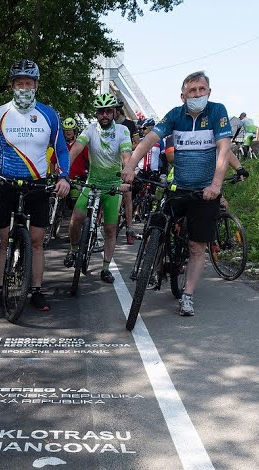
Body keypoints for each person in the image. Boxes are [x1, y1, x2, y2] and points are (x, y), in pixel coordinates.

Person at [122, 70, 232, 318]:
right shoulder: (174, 115)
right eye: (191, 91)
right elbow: (149, 139)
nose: (197, 95)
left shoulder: (217, 112)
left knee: (196, 246)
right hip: (178, 187)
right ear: (183, 96)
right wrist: (130, 166)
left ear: (209, 92)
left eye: (201, 90)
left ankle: (188, 296)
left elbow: (224, 148)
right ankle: (155, 259)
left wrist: (216, 185)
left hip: (205, 192)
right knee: (158, 223)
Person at [0, 59, 71, 312]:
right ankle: (1, 289)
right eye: (19, 83)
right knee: (5, 239)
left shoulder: (49, 114)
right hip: (7, 182)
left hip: (37, 184)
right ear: (12, 85)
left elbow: (61, 150)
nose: (24, 87)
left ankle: (37, 290)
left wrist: (64, 177)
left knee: (38, 240)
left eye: (28, 83)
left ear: (36, 85)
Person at [65, 93, 133, 284]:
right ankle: (74, 249)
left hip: (113, 184)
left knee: (110, 229)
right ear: (96, 114)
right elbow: (77, 148)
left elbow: (126, 154)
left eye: (108, 111)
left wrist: (127, 170)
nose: (104, 115)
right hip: (92, 182)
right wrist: (64, 169)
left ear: (114, 112)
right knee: (75, 219)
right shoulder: (90, 129)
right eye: (101, 112)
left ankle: (105, 267)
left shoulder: (122, 131)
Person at [115, 100, 140, 244]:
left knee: (127, 196)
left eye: (115, 110)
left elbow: (138, 143)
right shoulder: (107, 124)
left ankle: (129, 229)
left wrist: (125, 146)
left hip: (125, 163)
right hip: (110, 164)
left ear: (118, 111)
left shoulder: (129, 124)